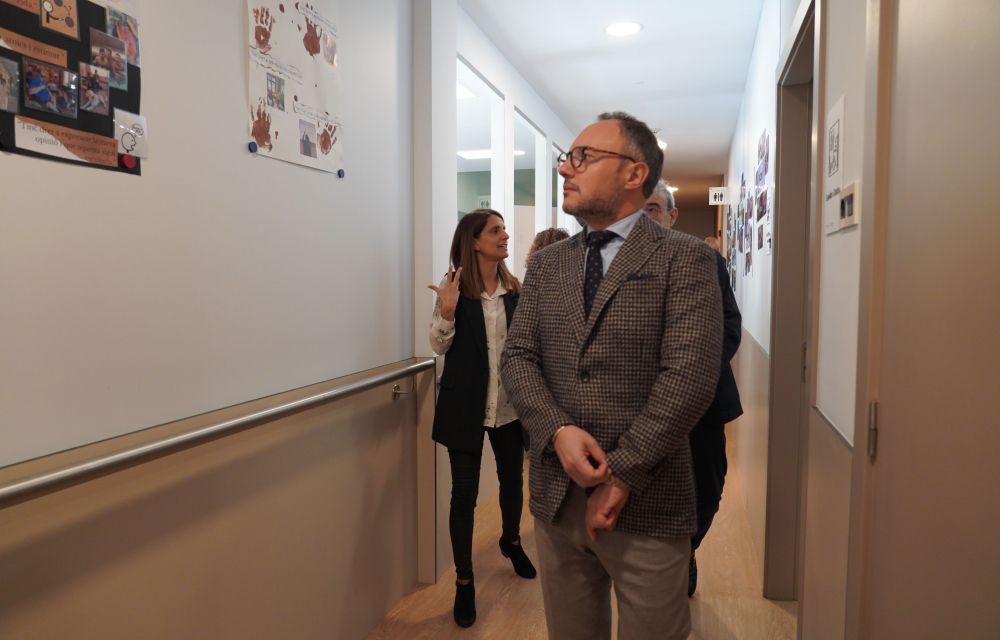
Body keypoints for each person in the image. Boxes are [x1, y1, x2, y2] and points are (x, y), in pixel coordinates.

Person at [502, 112, 722, 639]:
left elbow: (688, 377)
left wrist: (621, 475)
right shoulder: (548, 264)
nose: (565, 169)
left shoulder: (685, 259)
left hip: (648, 502)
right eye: (567, 158)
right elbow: (518, 357)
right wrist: (557, 430)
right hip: (556, 499)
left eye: (583, 157)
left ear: (634, 173)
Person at [427, 209, 536, 629]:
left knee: (512, 483)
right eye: (495, 230)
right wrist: (447, 310)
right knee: (464, 497)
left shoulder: (516, 291)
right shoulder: (455, 289)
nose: (504, 235)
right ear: (474, 242)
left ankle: (511, 540)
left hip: (509, 407)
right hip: (465, 409)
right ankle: (464, 580)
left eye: (504, 229)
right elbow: (438, 346)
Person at [645, 179, 744, 596]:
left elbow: (730, 325)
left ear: (672, 215)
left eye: (653, 209)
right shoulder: (619, 266)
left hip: (702, 402)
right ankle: (661, 561)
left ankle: (687, 548)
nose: (645, 217)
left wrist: (694, 374)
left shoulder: (705, 259)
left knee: (709, 485)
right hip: (644, 405)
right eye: (638, 210)